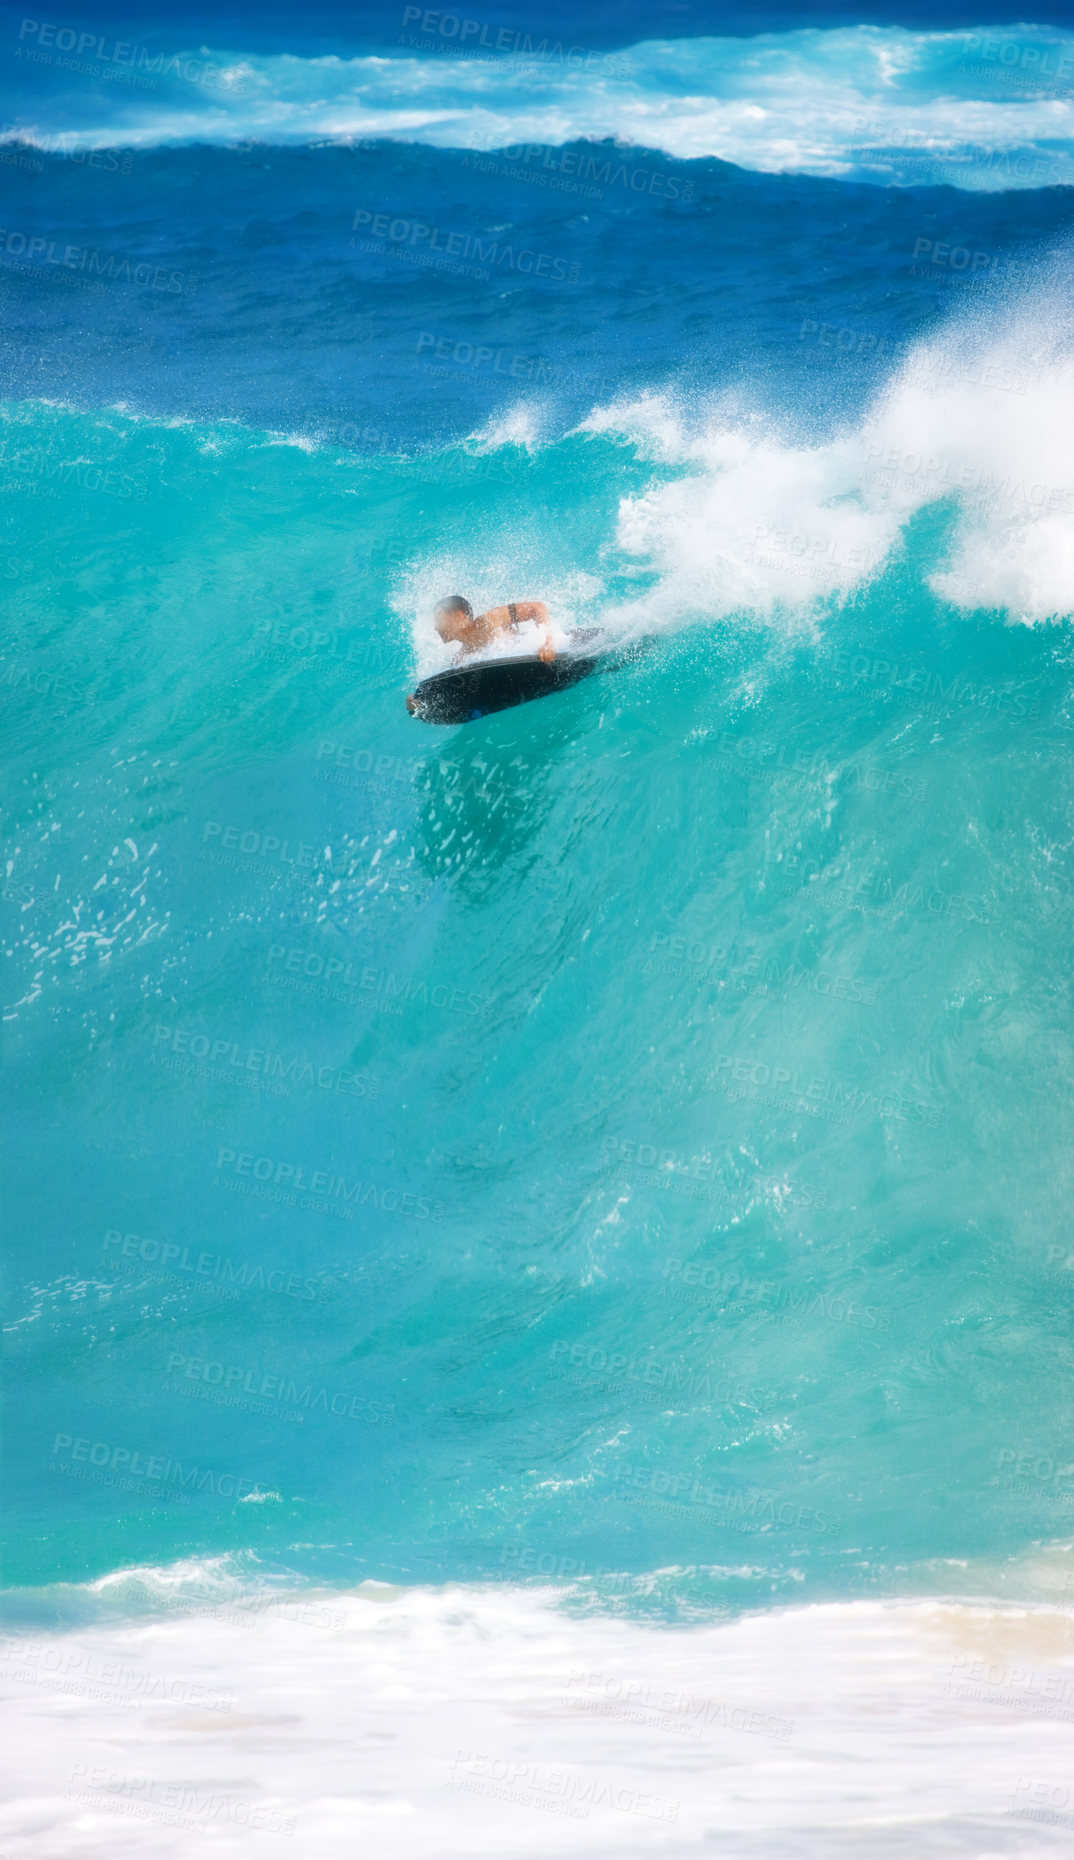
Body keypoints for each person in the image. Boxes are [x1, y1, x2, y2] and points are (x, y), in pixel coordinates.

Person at [405, 595, 555, 713]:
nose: (436, 628)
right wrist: (418, 703)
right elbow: (457, 695)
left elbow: (537, 607)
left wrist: (548, 641)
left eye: (439, 620)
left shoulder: (490, 620)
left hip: (541, 657)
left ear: (458, 617)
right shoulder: (461, 658)